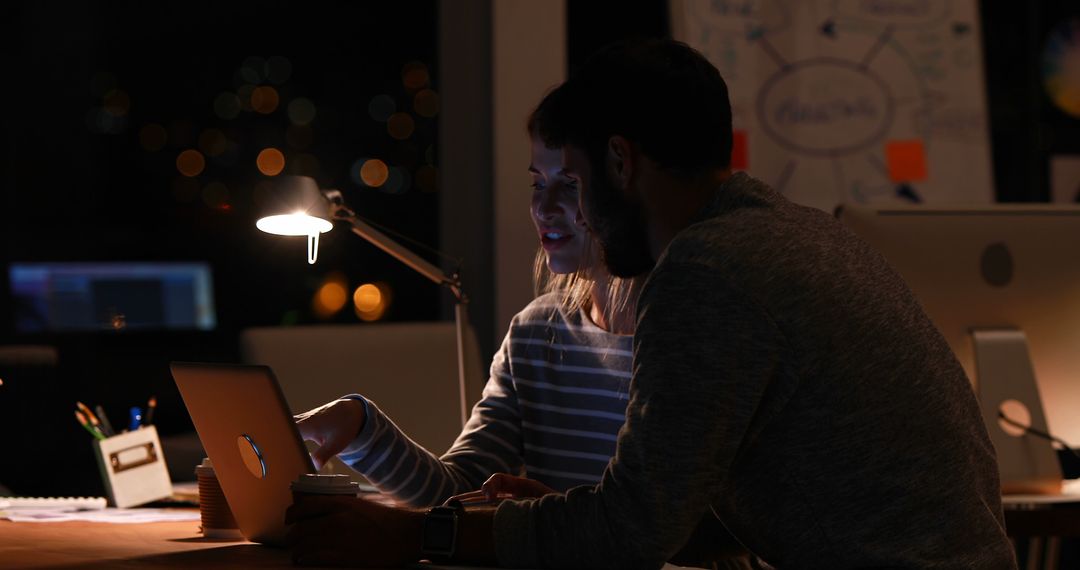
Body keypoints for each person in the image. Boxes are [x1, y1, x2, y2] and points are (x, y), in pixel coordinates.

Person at [288, 39, 1017, 569]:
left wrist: (415, 535)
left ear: (619, 162)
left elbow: (631, 535)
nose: (568, 210)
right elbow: (717, 513)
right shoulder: (797, 237)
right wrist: (559, 518)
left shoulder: (708, 271)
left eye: (575, 181)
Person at [291, 118, 644, 507]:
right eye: (538, 184)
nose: (543, 208)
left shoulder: (677, 337)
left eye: (571, 185)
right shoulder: (535, 332)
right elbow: (457, 492)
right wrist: (361, 428)